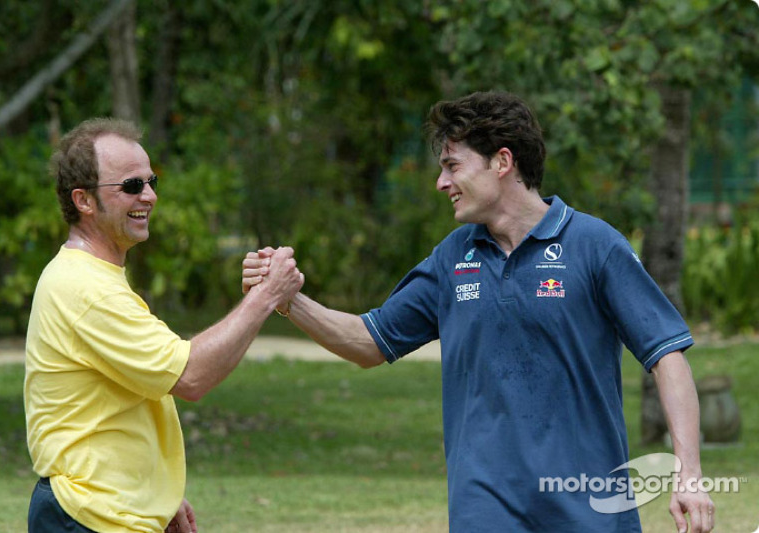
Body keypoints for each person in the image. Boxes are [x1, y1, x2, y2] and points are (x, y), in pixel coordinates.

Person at [242, 91, 715, 532]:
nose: (441, 182)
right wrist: (284, 299)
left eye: (452, 165)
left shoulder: (595, 245)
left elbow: (666, 357)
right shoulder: (452, 258)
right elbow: (369, 341)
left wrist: (688, 472)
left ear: (502, 162)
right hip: (483, 511)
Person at [24, 117, 304, 533]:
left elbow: (116, 405)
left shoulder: (93, 277)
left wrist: (155, 495)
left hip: (106, 511)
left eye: (151, 181)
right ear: (83, 200)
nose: (150, 196)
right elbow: (190, 375)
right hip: (89, 518)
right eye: (132, 186)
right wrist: (265, 296)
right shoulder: (86, 290)